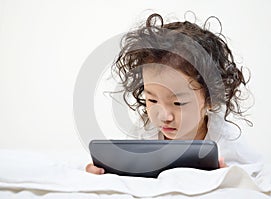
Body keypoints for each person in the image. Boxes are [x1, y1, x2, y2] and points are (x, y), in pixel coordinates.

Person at [86, 13, 262, 175]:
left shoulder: (227, 141)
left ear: (211, 99)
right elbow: (130, 170)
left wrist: (229, 176)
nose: (164, 116)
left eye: (178, 103)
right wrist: (104, 171)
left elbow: (259, 175)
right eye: (152, 99)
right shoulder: (146, 132)